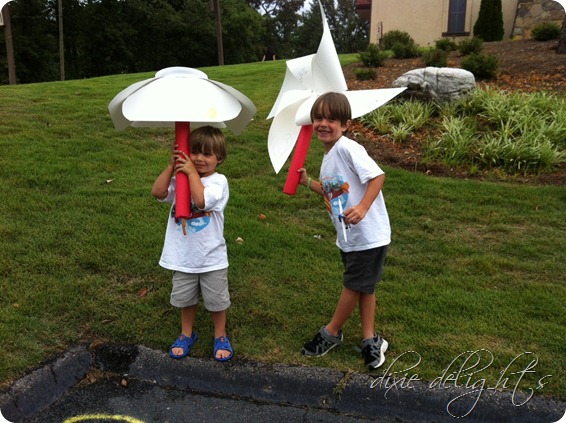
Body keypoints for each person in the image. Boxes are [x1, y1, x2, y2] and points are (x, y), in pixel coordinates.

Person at [298, 92, 390, 370]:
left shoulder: (347, 148)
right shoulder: (329, 155)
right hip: (350, 237)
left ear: (346, 124)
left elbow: (378, 176)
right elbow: (334, 191)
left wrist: (362, 207)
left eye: (332, 119)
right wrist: (308, 182)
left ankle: (332, 332)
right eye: (318, 118)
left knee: (353, 285)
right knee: (364, 287)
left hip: (368, 236)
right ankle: (371, 339)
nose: (323, 123)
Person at [151, 125, 233, 362]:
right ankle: (187, 334)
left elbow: (202, 201)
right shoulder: (182, 179)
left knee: (216, 301)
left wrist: (190, 173)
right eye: (194, 152)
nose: (198, 158)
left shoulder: (218, 182)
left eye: (207, 154)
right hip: (183, 256)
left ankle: (220, 335)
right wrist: (172, 167)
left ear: (219, 158)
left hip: (211, 257)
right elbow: (158, 192)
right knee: (186, 299)